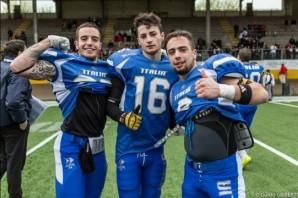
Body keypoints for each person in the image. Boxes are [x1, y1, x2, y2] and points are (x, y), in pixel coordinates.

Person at [10, 22, 111, 198]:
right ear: (76, 44)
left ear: (100, 45)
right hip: (71, 143)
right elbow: (16, 66)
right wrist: (47, 42)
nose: (89, 42)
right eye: (84, 39)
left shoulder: (108, 68)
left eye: (94, 39)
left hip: (97, 145)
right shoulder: (63, 64)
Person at [164, 30, 268, 198]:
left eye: (182, 49)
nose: (177, 55)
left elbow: (261, 93)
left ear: (194, 52)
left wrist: (220, 89)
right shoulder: (174, 91)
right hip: (191, 172)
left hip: (224, 171)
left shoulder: (212, 71)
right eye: (172, 52)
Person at [106, 12, 179, 198]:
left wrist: (178, 122)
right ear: (138, 40)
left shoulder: (173, 67)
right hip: (128, 148)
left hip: (156, 148)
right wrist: (123, 117)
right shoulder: (125, 63)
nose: (149, 40)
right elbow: (110, 104)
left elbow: (172, 108)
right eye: (144, 36)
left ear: (162, 35)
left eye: (153, 34)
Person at [0, 39, 32, 198]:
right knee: (14, 165)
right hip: (13, 126)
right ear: (20, 52)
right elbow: (13, 102)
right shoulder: (18, 70)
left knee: (2, 161)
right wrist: (22, 120)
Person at [237, 47, 265, 168]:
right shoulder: (259, 67)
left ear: (239, 56)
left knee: (235, 130)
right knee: (246, 129)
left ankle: (242, 156)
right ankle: (244, 154)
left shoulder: (238, 67)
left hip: (241, 102)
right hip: (253, 103)